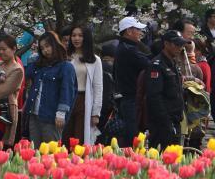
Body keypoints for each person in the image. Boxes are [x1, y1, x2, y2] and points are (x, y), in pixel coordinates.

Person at [23, 32, 76, 147]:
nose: (45, 50)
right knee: (35, 152)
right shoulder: (39, 66)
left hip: (52, 116)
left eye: (47, 46)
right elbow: (27, 74)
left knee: (51, 153)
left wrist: (61, 113)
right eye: (42, 48)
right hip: (34, 114)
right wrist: (33, 58)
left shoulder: (66, 67)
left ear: (55, 45)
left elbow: (67, 91)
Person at [144, 30, 188, 148]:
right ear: (166, 44)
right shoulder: (157, 65)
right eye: (177, 44)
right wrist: (166, 121)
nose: (180, 48)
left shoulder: (173, 64)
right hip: (163, 122)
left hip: (175, 120)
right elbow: (154, 97)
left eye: (182, 45)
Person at [113, 16, 151, 146]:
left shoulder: (126, 47)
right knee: (133, 139)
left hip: (129, 99)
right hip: (132, 100)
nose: (140, 33)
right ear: (129, 31)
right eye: (137, 30)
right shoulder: (128, 50)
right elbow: (148, 64)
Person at [64, 24, 104, 145]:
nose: (76, 38)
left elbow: (98, 87)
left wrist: (96, 113)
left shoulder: (95, 60)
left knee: (79, 138)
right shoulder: (65, 57)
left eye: (80, 36)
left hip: (84, 100)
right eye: (74, 35)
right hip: (66, 99)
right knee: (65, 136)